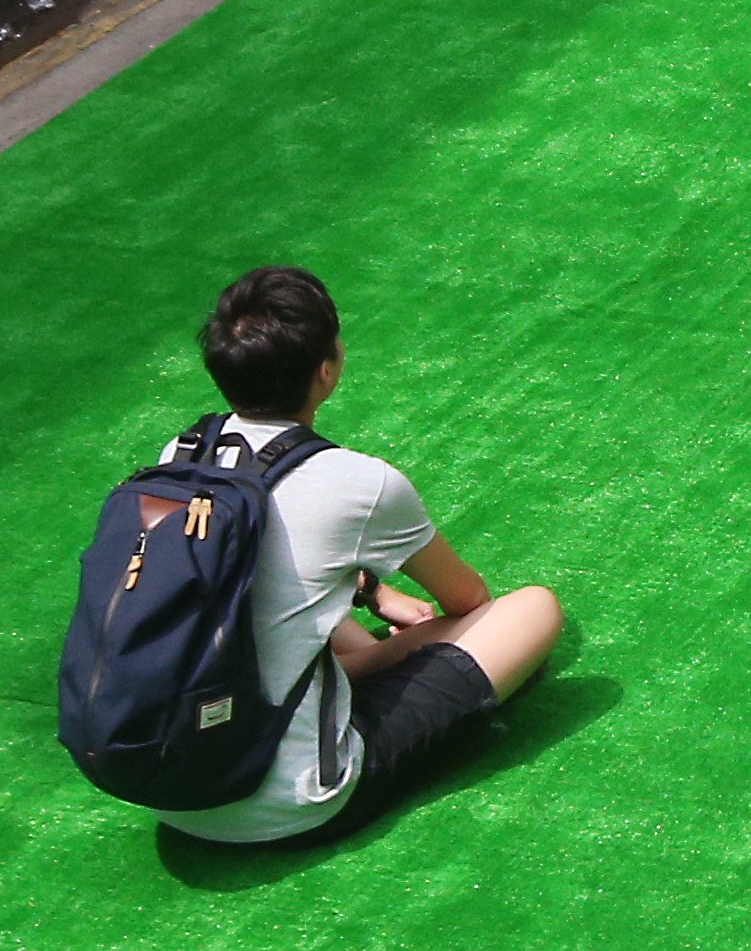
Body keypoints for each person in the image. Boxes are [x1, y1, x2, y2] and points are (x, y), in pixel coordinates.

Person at [158, 265, 563, 848]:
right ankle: (367, 669)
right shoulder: (357, 482)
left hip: (170, 782)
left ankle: (360, 662)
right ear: (326, 370)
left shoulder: (182, 456)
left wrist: (371, 592)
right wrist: (396, 634)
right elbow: (466, 601)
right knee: (532, 608)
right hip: (290, 801)